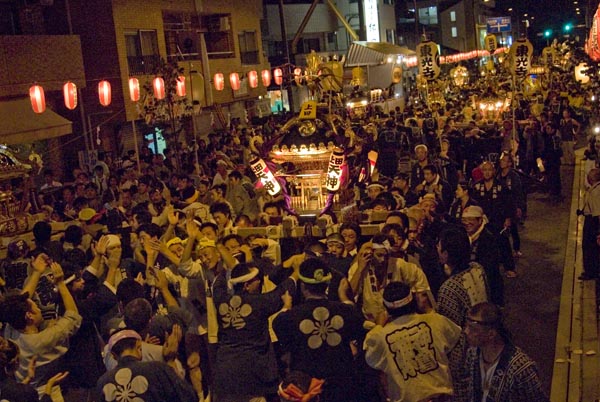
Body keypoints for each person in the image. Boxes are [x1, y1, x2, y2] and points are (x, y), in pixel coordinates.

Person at [273, 258, 364, 402]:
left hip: (306, 387)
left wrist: (286, 306)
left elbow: (281, 331)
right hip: (343, 384)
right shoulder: (346, 311)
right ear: (327, 285)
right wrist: (344, 296)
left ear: (302, 286)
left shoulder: (289, 317)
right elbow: (357, 321)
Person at [0, 256, 82, 400]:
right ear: (29, 316)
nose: (38, 307)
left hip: (22, 389)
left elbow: (19, 302)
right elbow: (73, 317)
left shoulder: (10, 330)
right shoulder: (42, 340)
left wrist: (37, 273)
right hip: (47, 391)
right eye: (35, 306)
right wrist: (61, 284)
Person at [363, 282, 461, 402]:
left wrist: (378, 325)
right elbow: (455, 338)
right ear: (413, 300)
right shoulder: (436, 321)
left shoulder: (380, 337)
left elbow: (371, 357)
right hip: (441, 398)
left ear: (387, 308)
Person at [212, 262, 295, 402]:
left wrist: (222, 271)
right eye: (257, 280)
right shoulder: (260, 302)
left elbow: (217, 286)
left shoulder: (220, 299)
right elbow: (282, 292)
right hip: (253, 371)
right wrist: (296, 274)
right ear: (246, 285)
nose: (260, 282)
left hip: (225, 369)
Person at [436, 226, 490, 402]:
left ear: (446, 254)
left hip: (465, 356)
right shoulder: (477, 268)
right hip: (487, 343)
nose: (437, 248)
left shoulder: (449, 289)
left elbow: (450, 331)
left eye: (440, 246)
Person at [465, 302, 549, 402]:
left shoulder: (520, 369)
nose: (466, 331)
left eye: (473, 329)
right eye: (467, 326)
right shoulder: (472, 355)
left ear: (491, 334)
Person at [96, 329, 197, 402]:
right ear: (139, 346)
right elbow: (188, 396)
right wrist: (171, 360)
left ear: (113, 355)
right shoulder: (158, 369)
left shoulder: (102, 383)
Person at [579, 168, 600, 280]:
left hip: (592, 222)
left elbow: (598, 213)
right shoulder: (594, 190)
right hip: (592, 220)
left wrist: (598, 232)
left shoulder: (596, 192)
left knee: (589, 246)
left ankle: (591, 271)